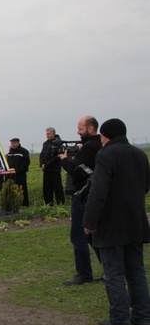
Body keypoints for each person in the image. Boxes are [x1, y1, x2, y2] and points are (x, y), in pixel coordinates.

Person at [83, 118, 150, 325]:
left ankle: (120, 319)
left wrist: (89, 222)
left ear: (105, 135)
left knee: (113, 272)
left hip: (111, 223)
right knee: (137, 270)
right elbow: (145, 186)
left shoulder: (106, 154)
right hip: (136, 220)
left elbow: (99, 191)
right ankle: (143, 315)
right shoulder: (139, 154)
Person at [60, 116, 102, 286]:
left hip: (82, 195)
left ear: (90, 129)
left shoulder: (89, 148)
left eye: (80, 129)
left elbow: (77, 171)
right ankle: (109, 269)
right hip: (94, 195)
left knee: (79, 236)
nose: (77, 132)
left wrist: (64, 160)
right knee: (93, 236)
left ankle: (84, 274)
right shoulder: (100, 146)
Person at [40, 127, 65, 205]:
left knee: (57, 187)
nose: (47, 135)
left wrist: (47, 165)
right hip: (46, 170)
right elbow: (41, 154)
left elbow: (57, 157)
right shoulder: (45, 143)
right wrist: (41, 164)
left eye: (49, 134)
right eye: (46, 134)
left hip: (54, 169)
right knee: (47, 188)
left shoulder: (58, 143)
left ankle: (60, 204)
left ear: (53, 134)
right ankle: (48, 204)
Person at [6, 138, 30, 206]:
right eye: (12, 143)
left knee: (22, 189)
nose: (13, 145)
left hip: (20, 174)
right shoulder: (10, 152)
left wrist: (18, 170)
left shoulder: (23, 151)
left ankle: (24, 204)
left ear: (18, 143)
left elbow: (26, 163)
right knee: (12, 190)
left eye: (14, 143)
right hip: (11, 174)